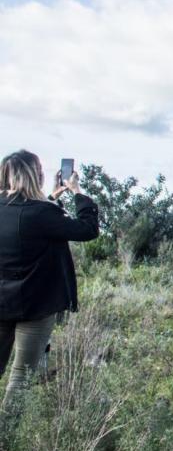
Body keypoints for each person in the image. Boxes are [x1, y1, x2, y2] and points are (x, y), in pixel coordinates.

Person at [0, 150, 99, 409]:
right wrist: (77, 191)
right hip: (36, 305)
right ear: (36, 174)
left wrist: (53, 197)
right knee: (20, 376)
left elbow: (24, 220)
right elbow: (87, 230)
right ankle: (6, 441)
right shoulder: (43, 214)